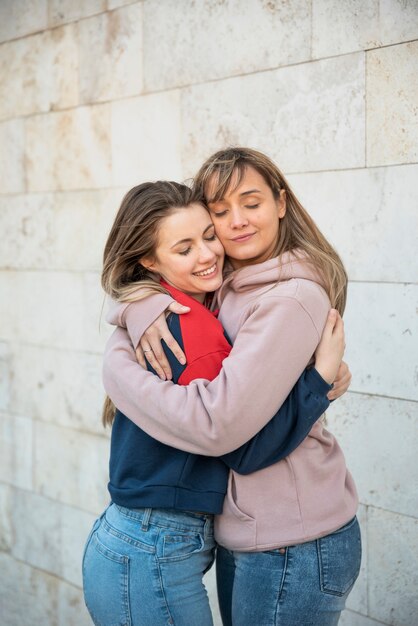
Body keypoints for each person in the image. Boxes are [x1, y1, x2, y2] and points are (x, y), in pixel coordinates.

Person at [101, 148, 360, 626]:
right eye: (219, 213)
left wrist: (118, 373)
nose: (235, 222)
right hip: (245, 532)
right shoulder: (228, 287)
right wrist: (134, 310)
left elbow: (223, 430)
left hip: (292, 538)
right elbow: (159, 290)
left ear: (281, 203)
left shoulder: (290, 295)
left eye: (252, 203)